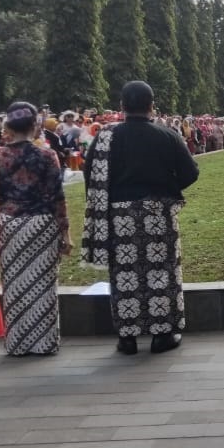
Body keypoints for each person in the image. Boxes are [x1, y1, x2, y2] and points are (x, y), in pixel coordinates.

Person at [82, 81, 199, 356]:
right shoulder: (167, 134)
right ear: (151, 105)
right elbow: (190, 173)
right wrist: (168, 186)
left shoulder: (105, 137)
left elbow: (91, 175)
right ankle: (163, 335)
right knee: (162, 272)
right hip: (157, 212)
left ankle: (127, 338)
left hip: (119, 214)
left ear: (122, 107)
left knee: (124, 276)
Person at [0, 102, 70, 356]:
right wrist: (65, 232)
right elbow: (57, 197)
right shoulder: (47, 155)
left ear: (7, 125)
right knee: (43, 284)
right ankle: (44, 342)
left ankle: (18, 342)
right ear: (35, 125)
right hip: (41, 223)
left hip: (8, 223)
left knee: (14, 283)